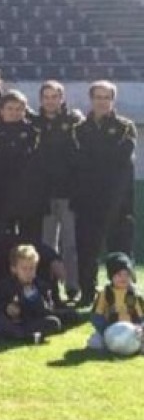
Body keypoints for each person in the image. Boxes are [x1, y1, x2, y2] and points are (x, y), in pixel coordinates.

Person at [73, 80, 137, 304]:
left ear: (113, 100)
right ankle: (88, 295)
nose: (102, 102)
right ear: (91, 100)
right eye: (98, 97)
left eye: (106, 97)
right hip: (88, 203)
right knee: (87, 253)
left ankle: (125, 296)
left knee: (120, 254)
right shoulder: (78, 129)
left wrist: (95, 155)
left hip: (118, 204)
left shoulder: (126, 127)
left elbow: (119, 159)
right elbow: (79, 163)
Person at [30, 80, 82, 300]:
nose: (50, 101)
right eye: (46, 97)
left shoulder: (74, 121)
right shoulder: (33, 122)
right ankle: (49, 287)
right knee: (46, 245)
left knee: (70, 244)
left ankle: (72, 286)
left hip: (69, 194)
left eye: (55, 96)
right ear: (41, 99)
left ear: (62, 99)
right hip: (43, 194)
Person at [0, 90, 40, 239]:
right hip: (1, 195)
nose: (14, 113)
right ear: (1, 111)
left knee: (29, 241)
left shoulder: (34, 133)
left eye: (19, 109)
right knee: (2, 240)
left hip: (28, 195)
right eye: (10, 108)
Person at [0, 244, 63, 344]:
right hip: (10, 322)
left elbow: (48, 310)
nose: (28, 273)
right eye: (24, 269)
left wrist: (38, 302)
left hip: (30, 321)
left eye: (32, 268)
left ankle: (18, 335)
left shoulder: (41, 286)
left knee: (54, 322)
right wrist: (7, 308)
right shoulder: (5, 286)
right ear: (14, 269)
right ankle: (23, 336)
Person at [86, 253, 144, 351]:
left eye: (127, 274)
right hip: (109, 329)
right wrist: (104, 329)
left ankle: (136, 346)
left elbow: (141, 316)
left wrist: (141, 328)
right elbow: (96, 316)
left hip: (133, 330)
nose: (123, 278)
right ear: (111, 276)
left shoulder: (134, 294)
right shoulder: (105, 293)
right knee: (95, 343)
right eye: (119, 275)